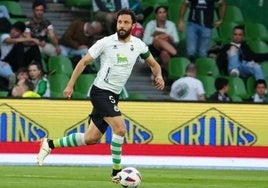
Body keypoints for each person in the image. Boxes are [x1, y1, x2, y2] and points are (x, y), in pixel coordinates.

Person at [37, 8, 165, 183]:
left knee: (91, 138)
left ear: (133, 26)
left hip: (114, 94)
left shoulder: (139, 45)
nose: (122, 25)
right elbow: (83, 62)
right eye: (120, 22)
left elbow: (154, 64)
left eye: (126, 22)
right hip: (100, 92)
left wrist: (158, 75)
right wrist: (70, 85)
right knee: (120, 128)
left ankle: (49, 144)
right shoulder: (105, 42)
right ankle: (116, 173)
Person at [143, 6, 179, 77]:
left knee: (164, 53)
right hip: (154, 49)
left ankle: (167, 74)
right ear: (156, 15)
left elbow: (176, 40)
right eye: (160, 12)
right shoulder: (150, 24)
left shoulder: (171, 25)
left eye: (164, 12)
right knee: (159, 40)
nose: (162, 14)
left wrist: (169, 37)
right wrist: (158, 37)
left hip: (168, 47)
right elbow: (145, 40)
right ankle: (176, 55)